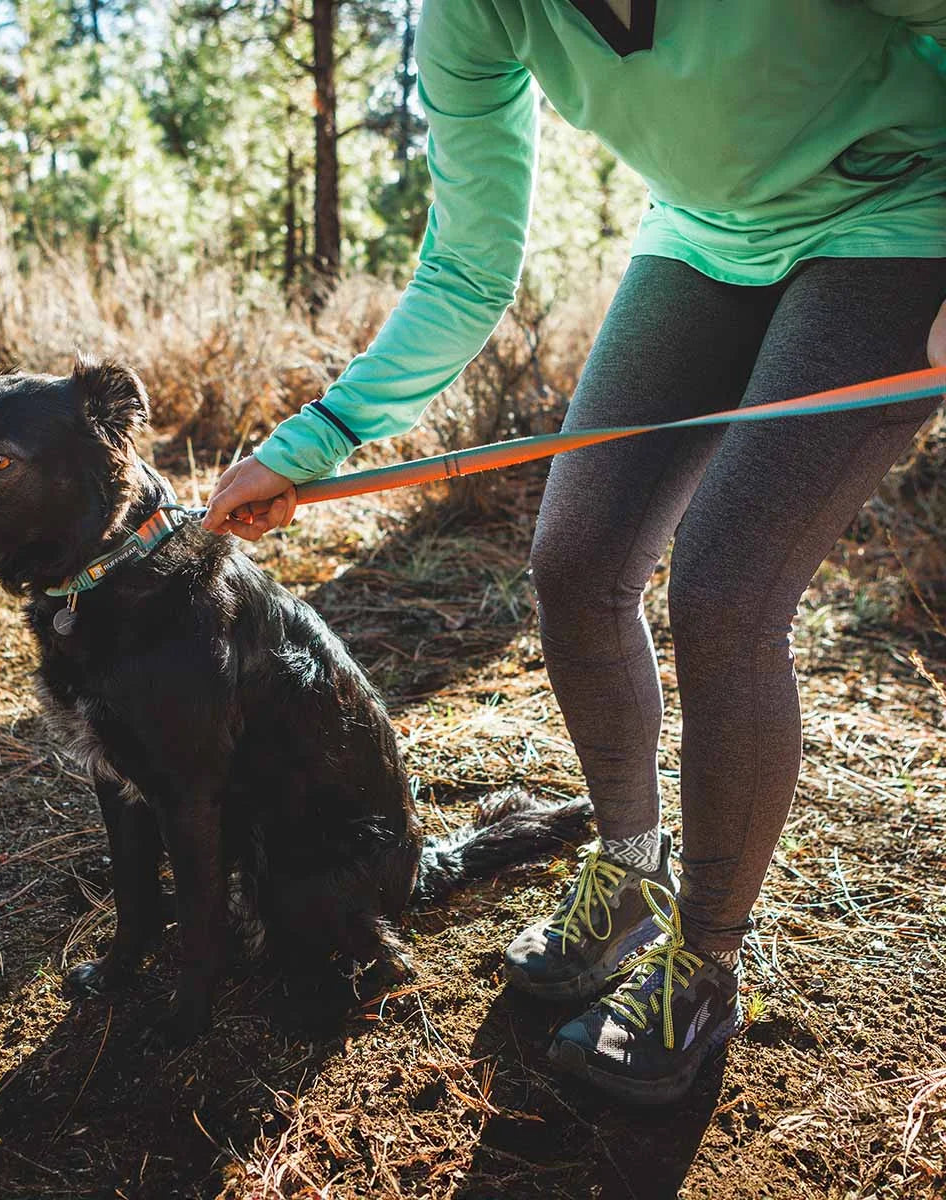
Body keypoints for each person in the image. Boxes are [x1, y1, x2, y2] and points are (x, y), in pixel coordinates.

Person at [202, 1, 946, 1103]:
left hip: (897, 213)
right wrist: (316, 440)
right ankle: (632, 872)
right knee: (577, 561)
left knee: (725, 593)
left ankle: (703, 964)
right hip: (703, 233)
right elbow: (465, 268)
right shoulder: (473, 15)